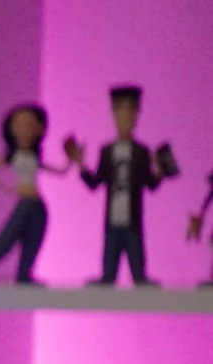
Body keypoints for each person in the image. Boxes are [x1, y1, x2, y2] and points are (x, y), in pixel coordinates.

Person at [67, 85, 174, 287]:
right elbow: (94, 183)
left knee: (137, 260)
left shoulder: (142, 151)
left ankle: (140, 280)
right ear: (114, 117)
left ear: (136, 118)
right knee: (109, 260)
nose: (124, 121)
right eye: (120, 115)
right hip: (112, 218)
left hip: (132, 217)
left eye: (129, 116)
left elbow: (151, 185)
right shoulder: (106, 151)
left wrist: (160, 171)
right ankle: (107, 278)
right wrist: (81, 165)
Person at [0, 103, 72, 285]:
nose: (25, 130)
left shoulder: (34, 157)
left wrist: (70, 160)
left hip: (38, 205)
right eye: (19, 125)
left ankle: (24, 275)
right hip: (25, 203)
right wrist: (9, 188)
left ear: (39, 129)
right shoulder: (12, 157)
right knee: (5, 240)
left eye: (30, 125)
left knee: (33, 240)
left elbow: (59, 171)